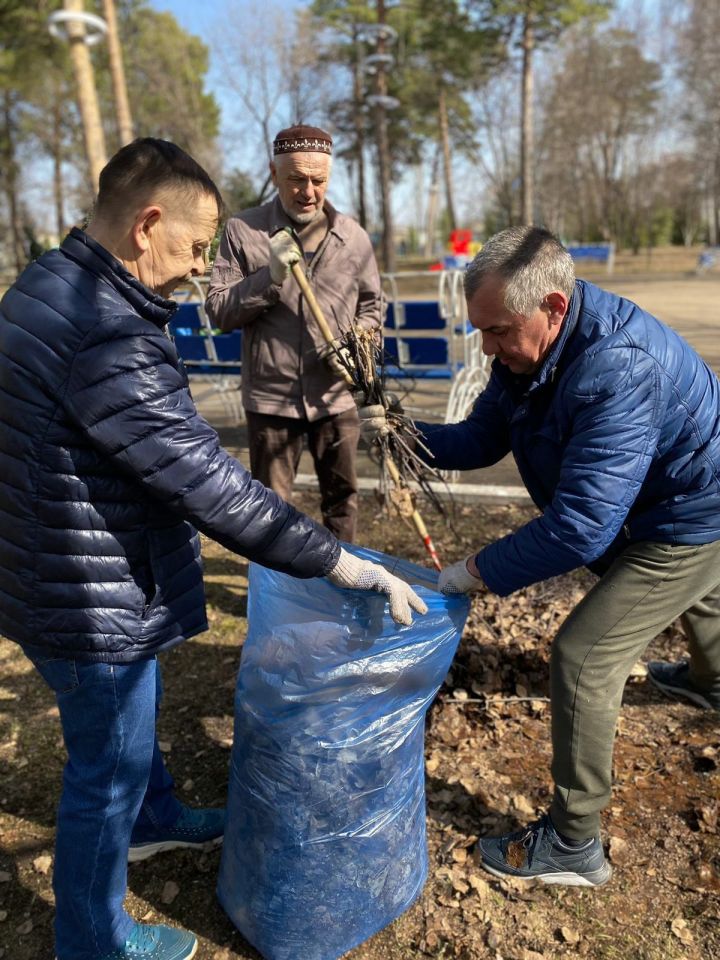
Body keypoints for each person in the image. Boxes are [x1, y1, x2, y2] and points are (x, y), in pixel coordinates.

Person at [0, 138, 426, 960]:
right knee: (103, 774)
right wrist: (340, 560)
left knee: (124, 733)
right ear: (145, 225)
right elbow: (208, 484)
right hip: (87, 594)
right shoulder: (108, 333)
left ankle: (156, 819)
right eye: (195, 249)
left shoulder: (46, 285)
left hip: (46, 563)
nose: (199, 270)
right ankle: (92, 939)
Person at [361, 225, 720, 888]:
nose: (488, 347)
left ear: (553, 306)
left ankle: (575, 845)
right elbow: (480, 437)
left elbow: (581, 525)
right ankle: (711, 681)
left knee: (585, 655)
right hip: (654, 498)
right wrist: (405, 439)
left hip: (688, 514)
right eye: (481, 332)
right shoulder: (529, 353)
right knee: (700, 597)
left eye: (498, 331)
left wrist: (472, 573)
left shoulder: (619, 365)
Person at [206, 124, 381, 544]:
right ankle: (274, 597)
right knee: (269, 509)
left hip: (334, 397)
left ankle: (341, 591)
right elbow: (219, 311)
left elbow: (373, 307)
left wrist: (359, 341)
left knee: (342, 501)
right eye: (296, 179)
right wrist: (269, 276)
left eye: (318, 180)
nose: (308, 191)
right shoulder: (243, 231)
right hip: (271, 399)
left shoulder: (352, 237)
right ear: (273, 173)